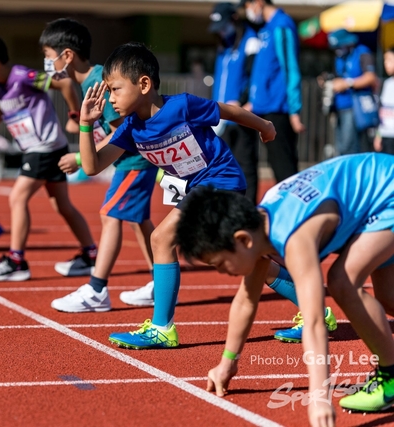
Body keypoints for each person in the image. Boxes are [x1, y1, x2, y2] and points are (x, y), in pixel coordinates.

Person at [76, 42, 335, 349]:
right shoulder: (131, 129)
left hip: (220, 180)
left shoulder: (181, 106)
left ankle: (162, 328)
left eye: (115, 89)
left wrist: (264, 126)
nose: (110, 98)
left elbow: (229, 110)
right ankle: (317, 309)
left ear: (144, 84)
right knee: (242, 260)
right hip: (198, 188)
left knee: (161, 239)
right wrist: (86, 123)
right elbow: (93, 166)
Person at [176, 153, 394, 426]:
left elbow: (314, 322)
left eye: (219, 263)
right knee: (388, 300)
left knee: (342, 281)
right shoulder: (259, 230)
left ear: (242, 240)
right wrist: (227, 363)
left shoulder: (295, 237)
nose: (221, 272)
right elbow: (245, 301)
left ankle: (391, 378)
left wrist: (318, 398)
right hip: (374, 197)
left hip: (387, 194)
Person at [39, 18, 158, 312]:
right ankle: (161, 282)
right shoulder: (88, 82)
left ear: (67, 56)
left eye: (47, 57)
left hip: (134, 162)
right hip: (131, 163)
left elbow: (124, 131)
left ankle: (96, 290)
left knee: (109, 215)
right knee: (139, 222)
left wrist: (80, 158)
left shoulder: (97, 84)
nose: (46, 64)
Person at [0, 32, 97, 282]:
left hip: (43, 148)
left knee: (17, 197)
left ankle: (16, 260)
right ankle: (90, 253)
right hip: (41, 149)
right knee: (62, 205)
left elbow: (64, 83)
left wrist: (75, 117)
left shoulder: (22, 77)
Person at [239, 0, 305, 183]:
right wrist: (253, 100)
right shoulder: (266, 29)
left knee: (284, 169)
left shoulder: (282, 25)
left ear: (258, 2)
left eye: (247, 6)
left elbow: (291, 67)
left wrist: (294, 110)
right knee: (273, 164)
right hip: (262, 108)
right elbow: (264, 72)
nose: (248, 11)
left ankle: (296, 210)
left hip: (278, 109)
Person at [209, 2, 261, 203]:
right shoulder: (224, 47)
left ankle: (247, 211)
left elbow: (254, 78)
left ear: (234, 20)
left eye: (224, 26)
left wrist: (241, 101)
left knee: (245, 165)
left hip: (240, 116)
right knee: (222, 167)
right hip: (220, 118)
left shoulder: (250, 42)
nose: (221, 32)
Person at [327, 29, 377, 156]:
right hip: (340, 106)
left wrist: (347, 83)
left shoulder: (362, 52)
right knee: (341, 146)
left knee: (350, 146)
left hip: (355, 106)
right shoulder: (339, 57)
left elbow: (371, 77)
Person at [374, 48, 394, 155]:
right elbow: (382, 111)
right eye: (385, 60)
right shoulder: (386, 84)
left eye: (390, 60)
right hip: (386, 135)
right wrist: (378, 135)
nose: (386, 63)